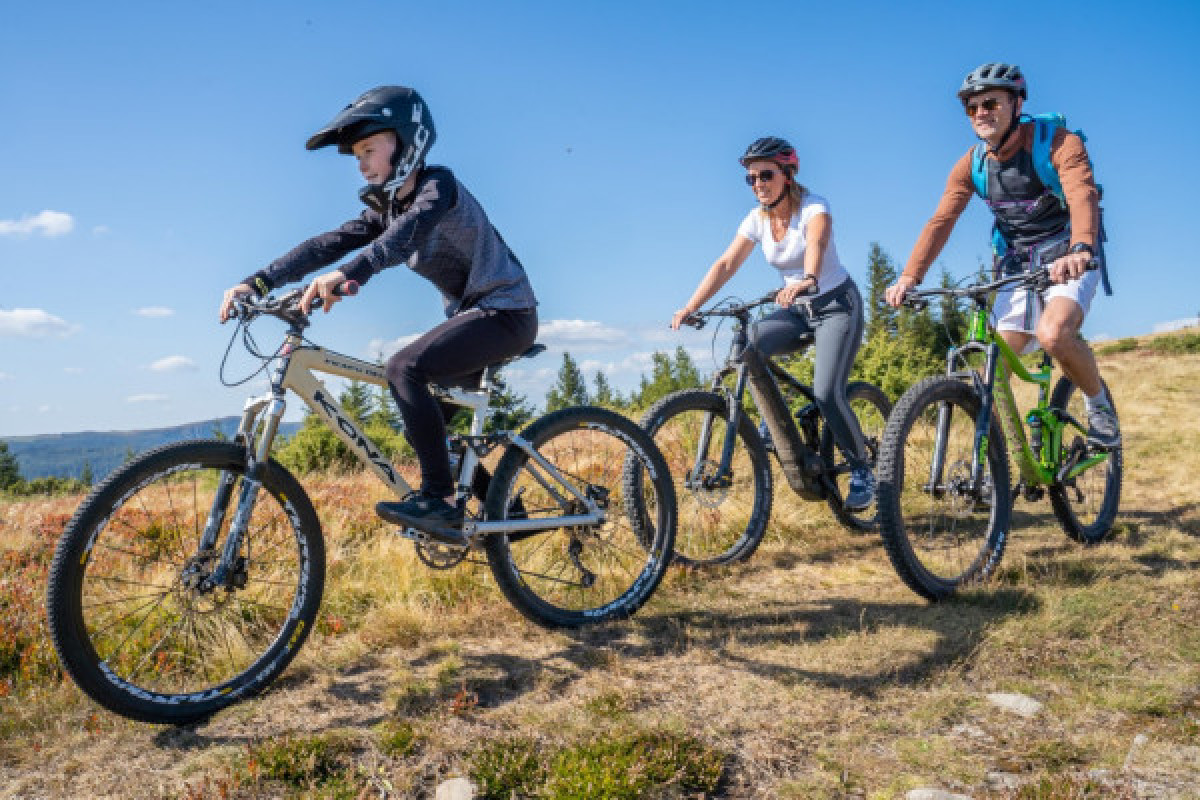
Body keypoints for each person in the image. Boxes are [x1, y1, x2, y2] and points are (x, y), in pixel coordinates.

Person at [218, 85, 538, 541]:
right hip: (471, 320)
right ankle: (507, 515)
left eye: (369, 149)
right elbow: (324, 244)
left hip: (506, 313)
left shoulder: (437, 187)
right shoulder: (386, 209)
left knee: (403, 368)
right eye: (356, 156)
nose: (362, 162)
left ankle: (442, 504)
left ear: (407, 146)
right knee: (421, 427)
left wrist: (349, 275)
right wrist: (258, 281)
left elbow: (400, 240)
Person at [884, 62, 1119, 449]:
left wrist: (1081, 247)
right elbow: (942, 220)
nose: (981, 113)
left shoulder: (1058, 143)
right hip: (1016, 263)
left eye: (990, 103)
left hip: (1067, 251)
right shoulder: (971, 165)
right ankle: (995, 463)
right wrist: (910, 277)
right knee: (991, 367)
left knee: (1054, 334)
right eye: (971, 107)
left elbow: (1082, 194)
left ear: (1017, 102)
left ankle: (1099, 406)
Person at [670, 137, 874, 511]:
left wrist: (808, 278)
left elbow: (816, 241)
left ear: (788, 175)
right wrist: (691, 306)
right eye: (751, 179)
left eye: (766, 175)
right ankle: (775, 422)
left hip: (835, 305)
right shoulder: (756, 219)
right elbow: (726, 264)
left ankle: (862, 468)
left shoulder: (814, 207)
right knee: (749, 346)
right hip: (797, 310)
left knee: (828, 392)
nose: (758, 184)